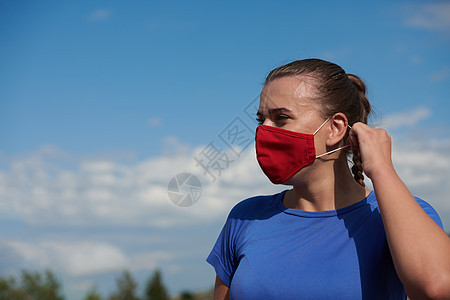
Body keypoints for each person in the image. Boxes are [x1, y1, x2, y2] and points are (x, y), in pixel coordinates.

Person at [206, 59, 450, 299]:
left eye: (281, 117)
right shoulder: (245, 216)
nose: (264, 131)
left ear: (335, 128)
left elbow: (436, 289)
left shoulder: (397, 216)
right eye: (261, 120)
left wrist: (381, 169)